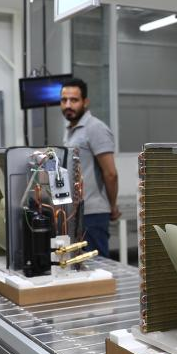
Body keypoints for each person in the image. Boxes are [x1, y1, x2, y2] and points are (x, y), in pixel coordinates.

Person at [60, 78, 120, 259]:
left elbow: (110, 173)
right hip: (75, 213)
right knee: (79, 266)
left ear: (85, 102)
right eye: (64, 100)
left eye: (74, 100)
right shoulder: (71, 130)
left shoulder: (95, 128)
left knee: (97, 266)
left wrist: (112, 206)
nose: (68, 105)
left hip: (93, 213)